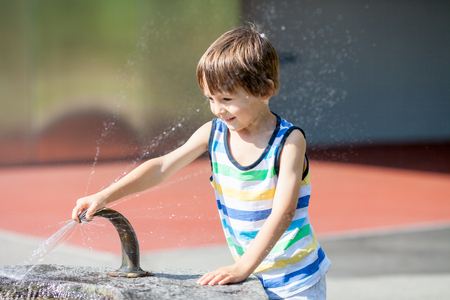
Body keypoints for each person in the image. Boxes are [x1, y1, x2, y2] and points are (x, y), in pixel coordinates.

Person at [72, 24, 330, 299]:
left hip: (297, 281)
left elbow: (283, 212)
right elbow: (161, 167)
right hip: (251, 276)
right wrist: (104, 195)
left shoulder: (288, 142)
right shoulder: (214, 133)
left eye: (227, 99)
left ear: (264, 90)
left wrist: (242, 267)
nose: (218, 109)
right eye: (210, 98)